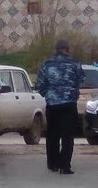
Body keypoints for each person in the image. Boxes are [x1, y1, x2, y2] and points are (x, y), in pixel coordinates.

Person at [35, 39, 83, 175]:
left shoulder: (47, 64)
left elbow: (40, 84)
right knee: (68, 136)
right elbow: (81, 80)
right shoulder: (75, 63)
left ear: (56, 50)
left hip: (52, 104)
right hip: (69, 103)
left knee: (52, 134)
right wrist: (73, 91)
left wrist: (48, 94)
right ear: (68, 49)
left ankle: (53, 164)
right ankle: (65, 166)